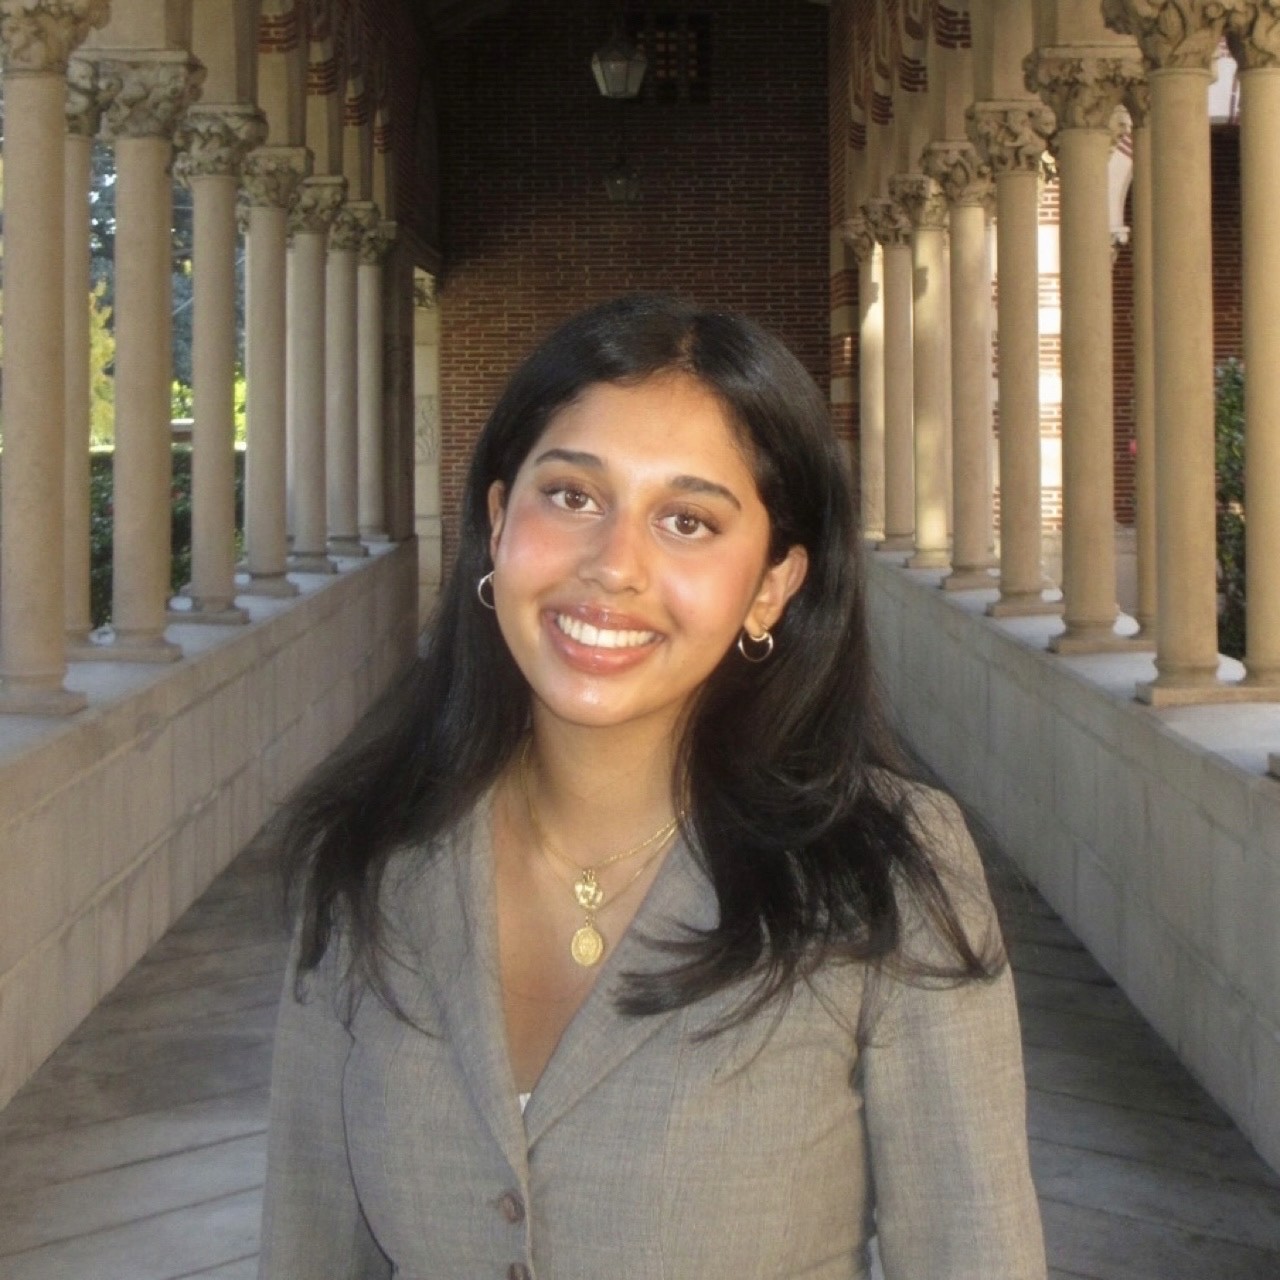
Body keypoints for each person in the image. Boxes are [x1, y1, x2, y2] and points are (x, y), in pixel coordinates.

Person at [257, 294, 1047, 1279]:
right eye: (573, 497)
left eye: (687, 519)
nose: (611, 566)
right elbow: (309, 1244)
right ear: (499, 522)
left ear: (770, 583)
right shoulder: (368, 859)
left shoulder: (881, 877)